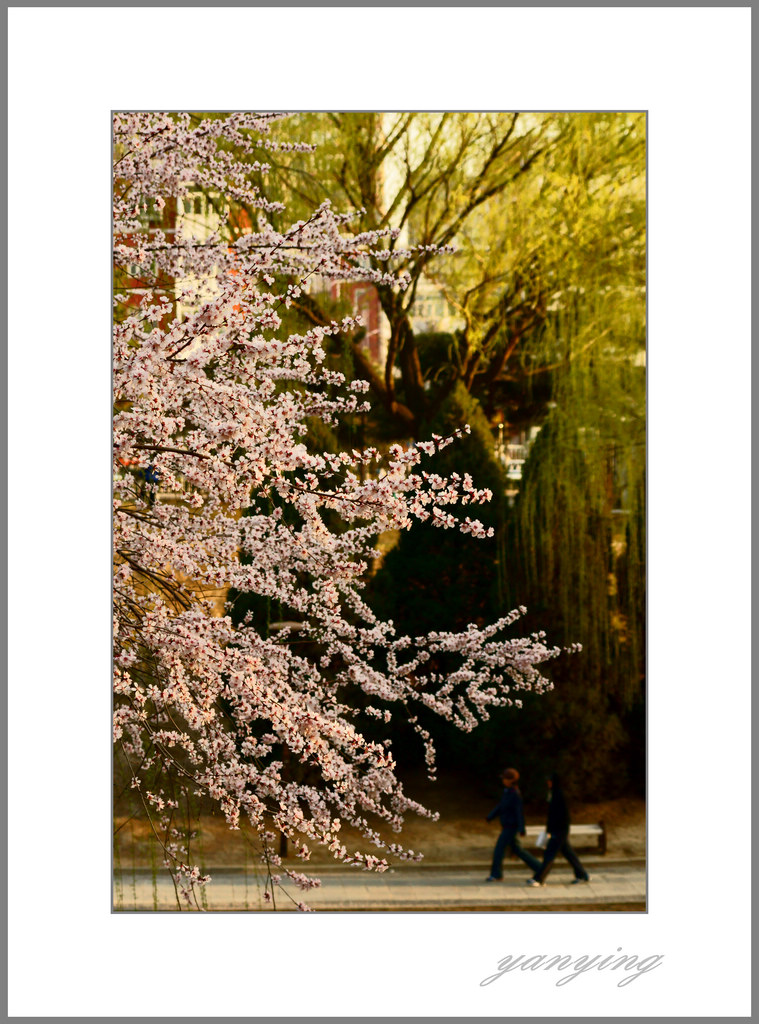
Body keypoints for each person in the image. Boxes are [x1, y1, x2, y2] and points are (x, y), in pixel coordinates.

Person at [526, 772, 590, 886]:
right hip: (558, 830)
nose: (548, 783)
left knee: (549, 854)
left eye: (550, 781)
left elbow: (562, 815)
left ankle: (539, 879)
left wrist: (555, 829)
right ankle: (582, 874)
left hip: (559, 830)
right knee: (568, 853)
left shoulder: (559, 795)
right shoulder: (553, 794)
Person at [485, 768, 542, 881]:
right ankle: (540, 868)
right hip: (507, 825)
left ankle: (496, 874)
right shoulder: (507, 792)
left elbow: (518, 812)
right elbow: (501, 806)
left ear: (511, 780)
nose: (503, 780)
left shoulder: (515, 794)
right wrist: (491, 816)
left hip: (511, 827)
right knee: (518, 850)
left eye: (505, 778)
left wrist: (521, 828)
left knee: (499, 849)